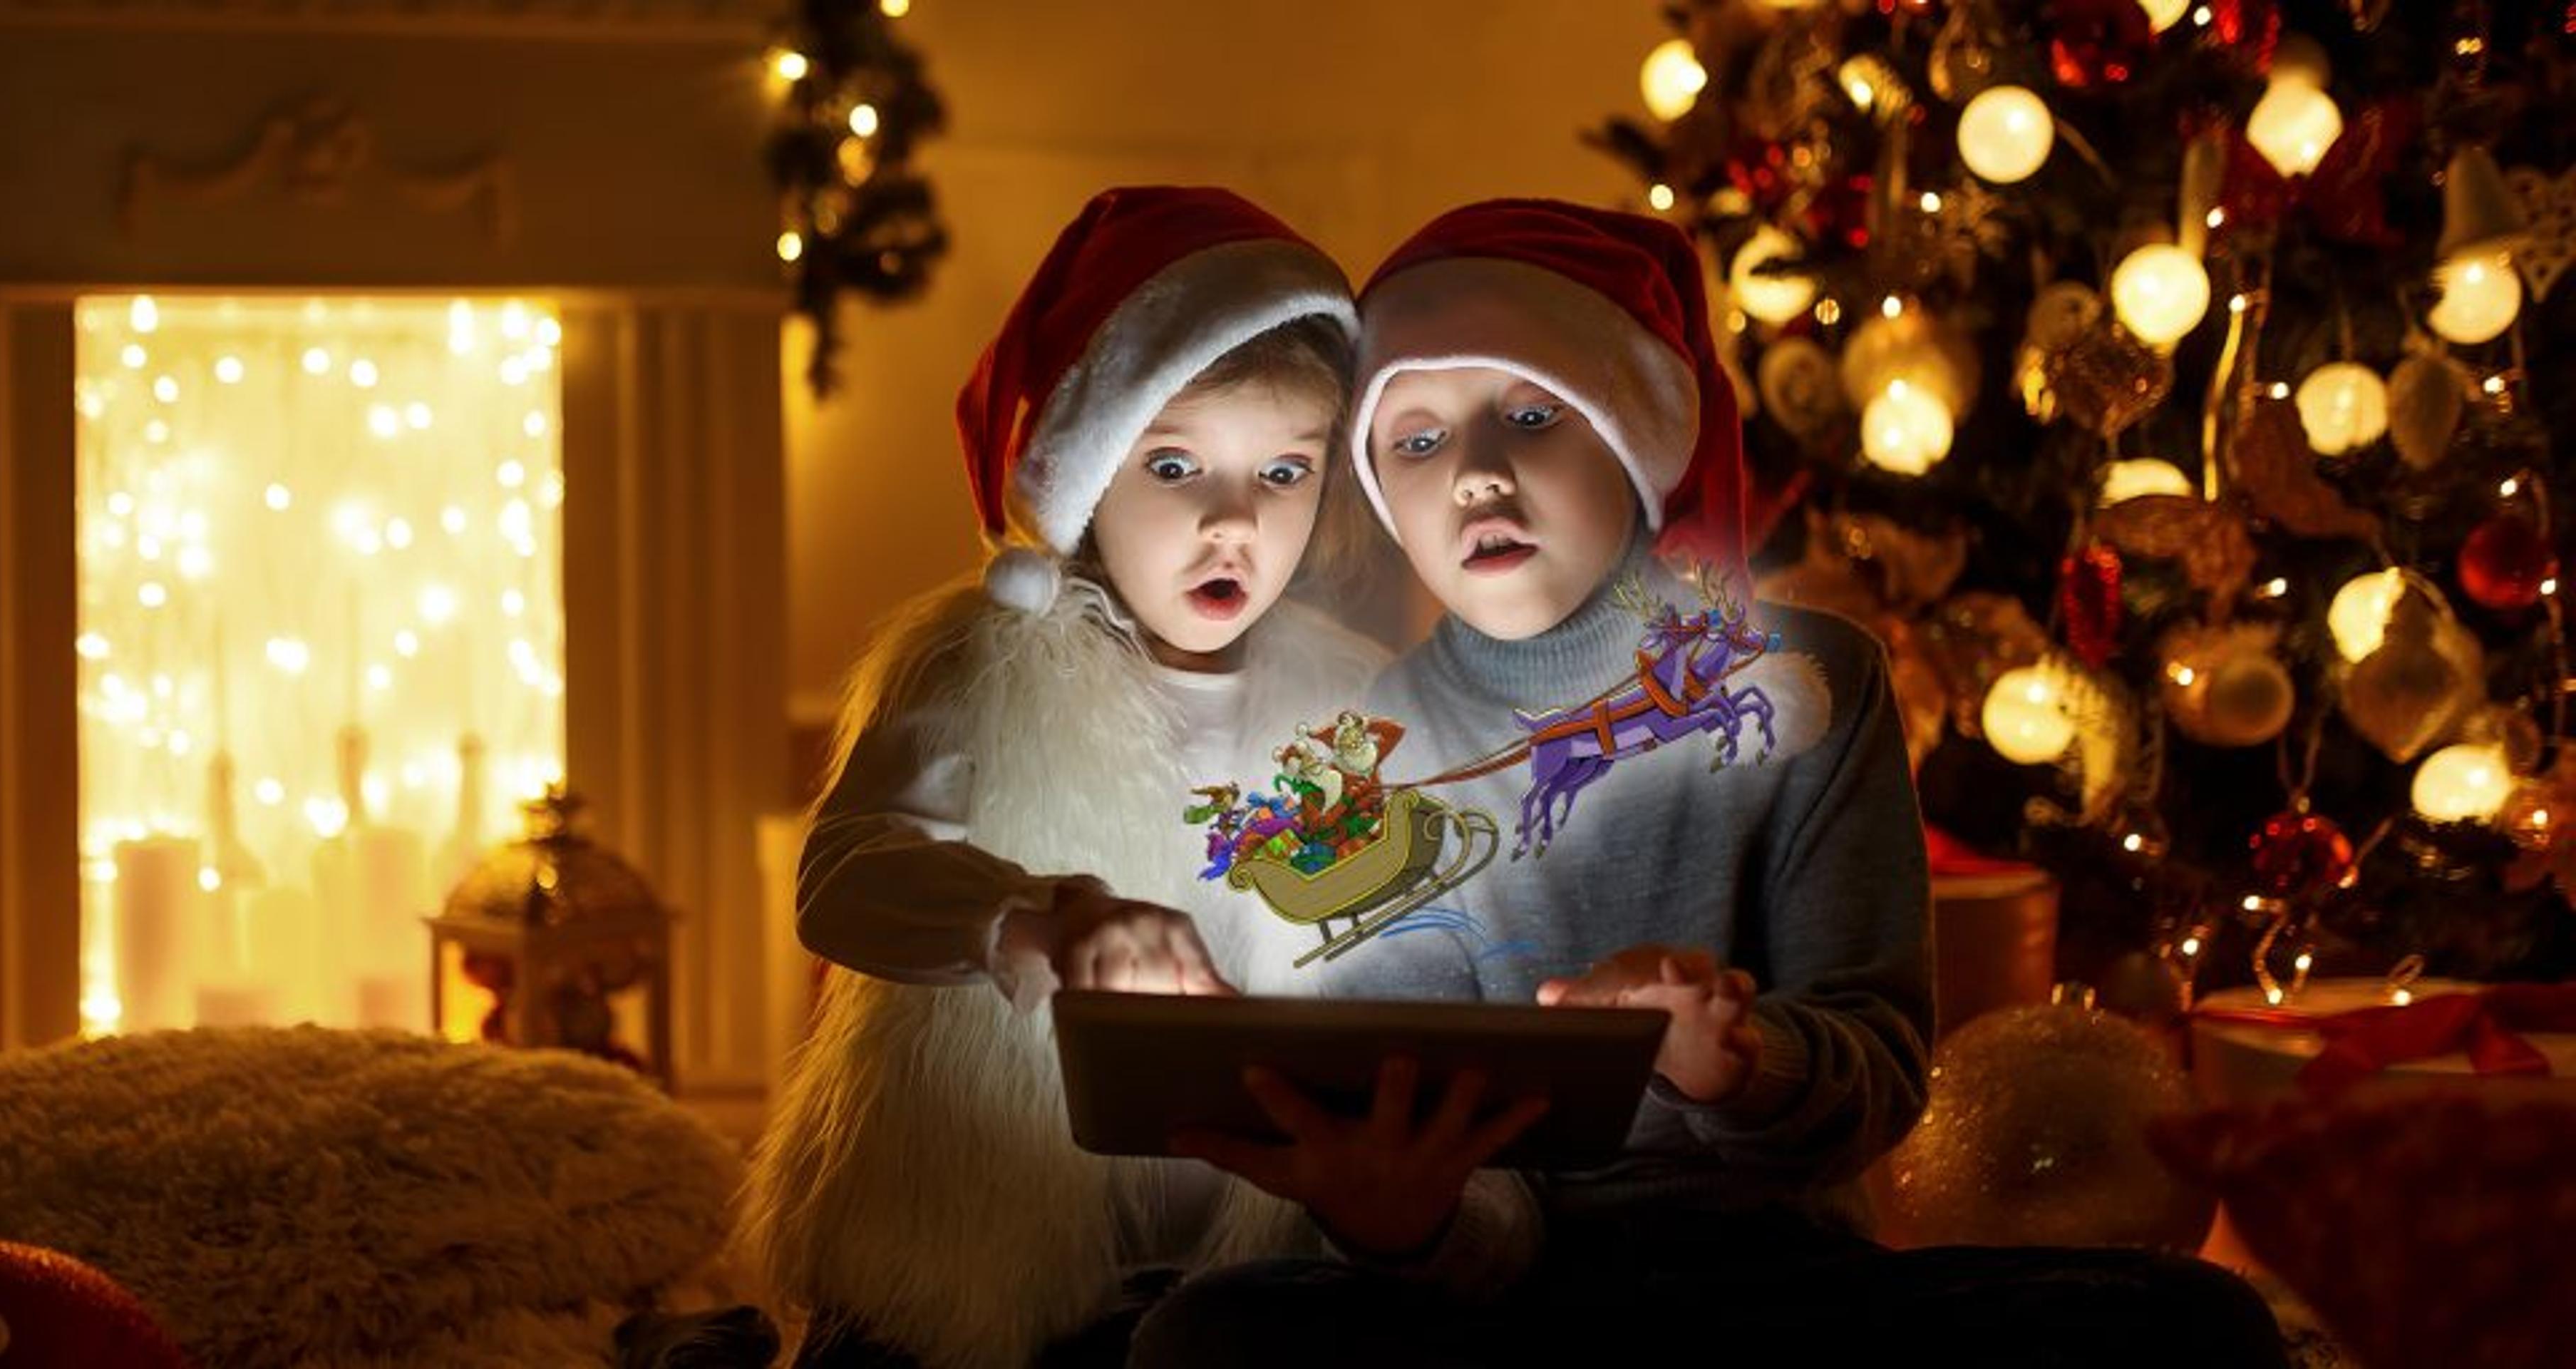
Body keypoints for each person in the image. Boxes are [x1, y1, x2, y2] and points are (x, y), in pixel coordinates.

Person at [1143, 200, 2286, 1367]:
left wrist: (1730, 1063)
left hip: (1781, 1289)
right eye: (1420, 441)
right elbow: (1413, 1158)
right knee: (1205, 1335)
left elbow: (1878, 1072)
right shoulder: (1356, 756)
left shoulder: (1813, 684)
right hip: (1493, 1301)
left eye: (1532, 417)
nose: (1477, 476)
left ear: (1633, 442)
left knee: (2199, 1326)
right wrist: (1407, 1224)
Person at [743, 186, 1389, 1369]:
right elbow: (845, 874)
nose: (1234, 522)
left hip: (1233, 1261)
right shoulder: (982, 659)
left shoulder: (1356, 705)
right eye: (1179, 466)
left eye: (1284, 474)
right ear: (1089, 475)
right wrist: (1026, 915)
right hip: (982, 1260)